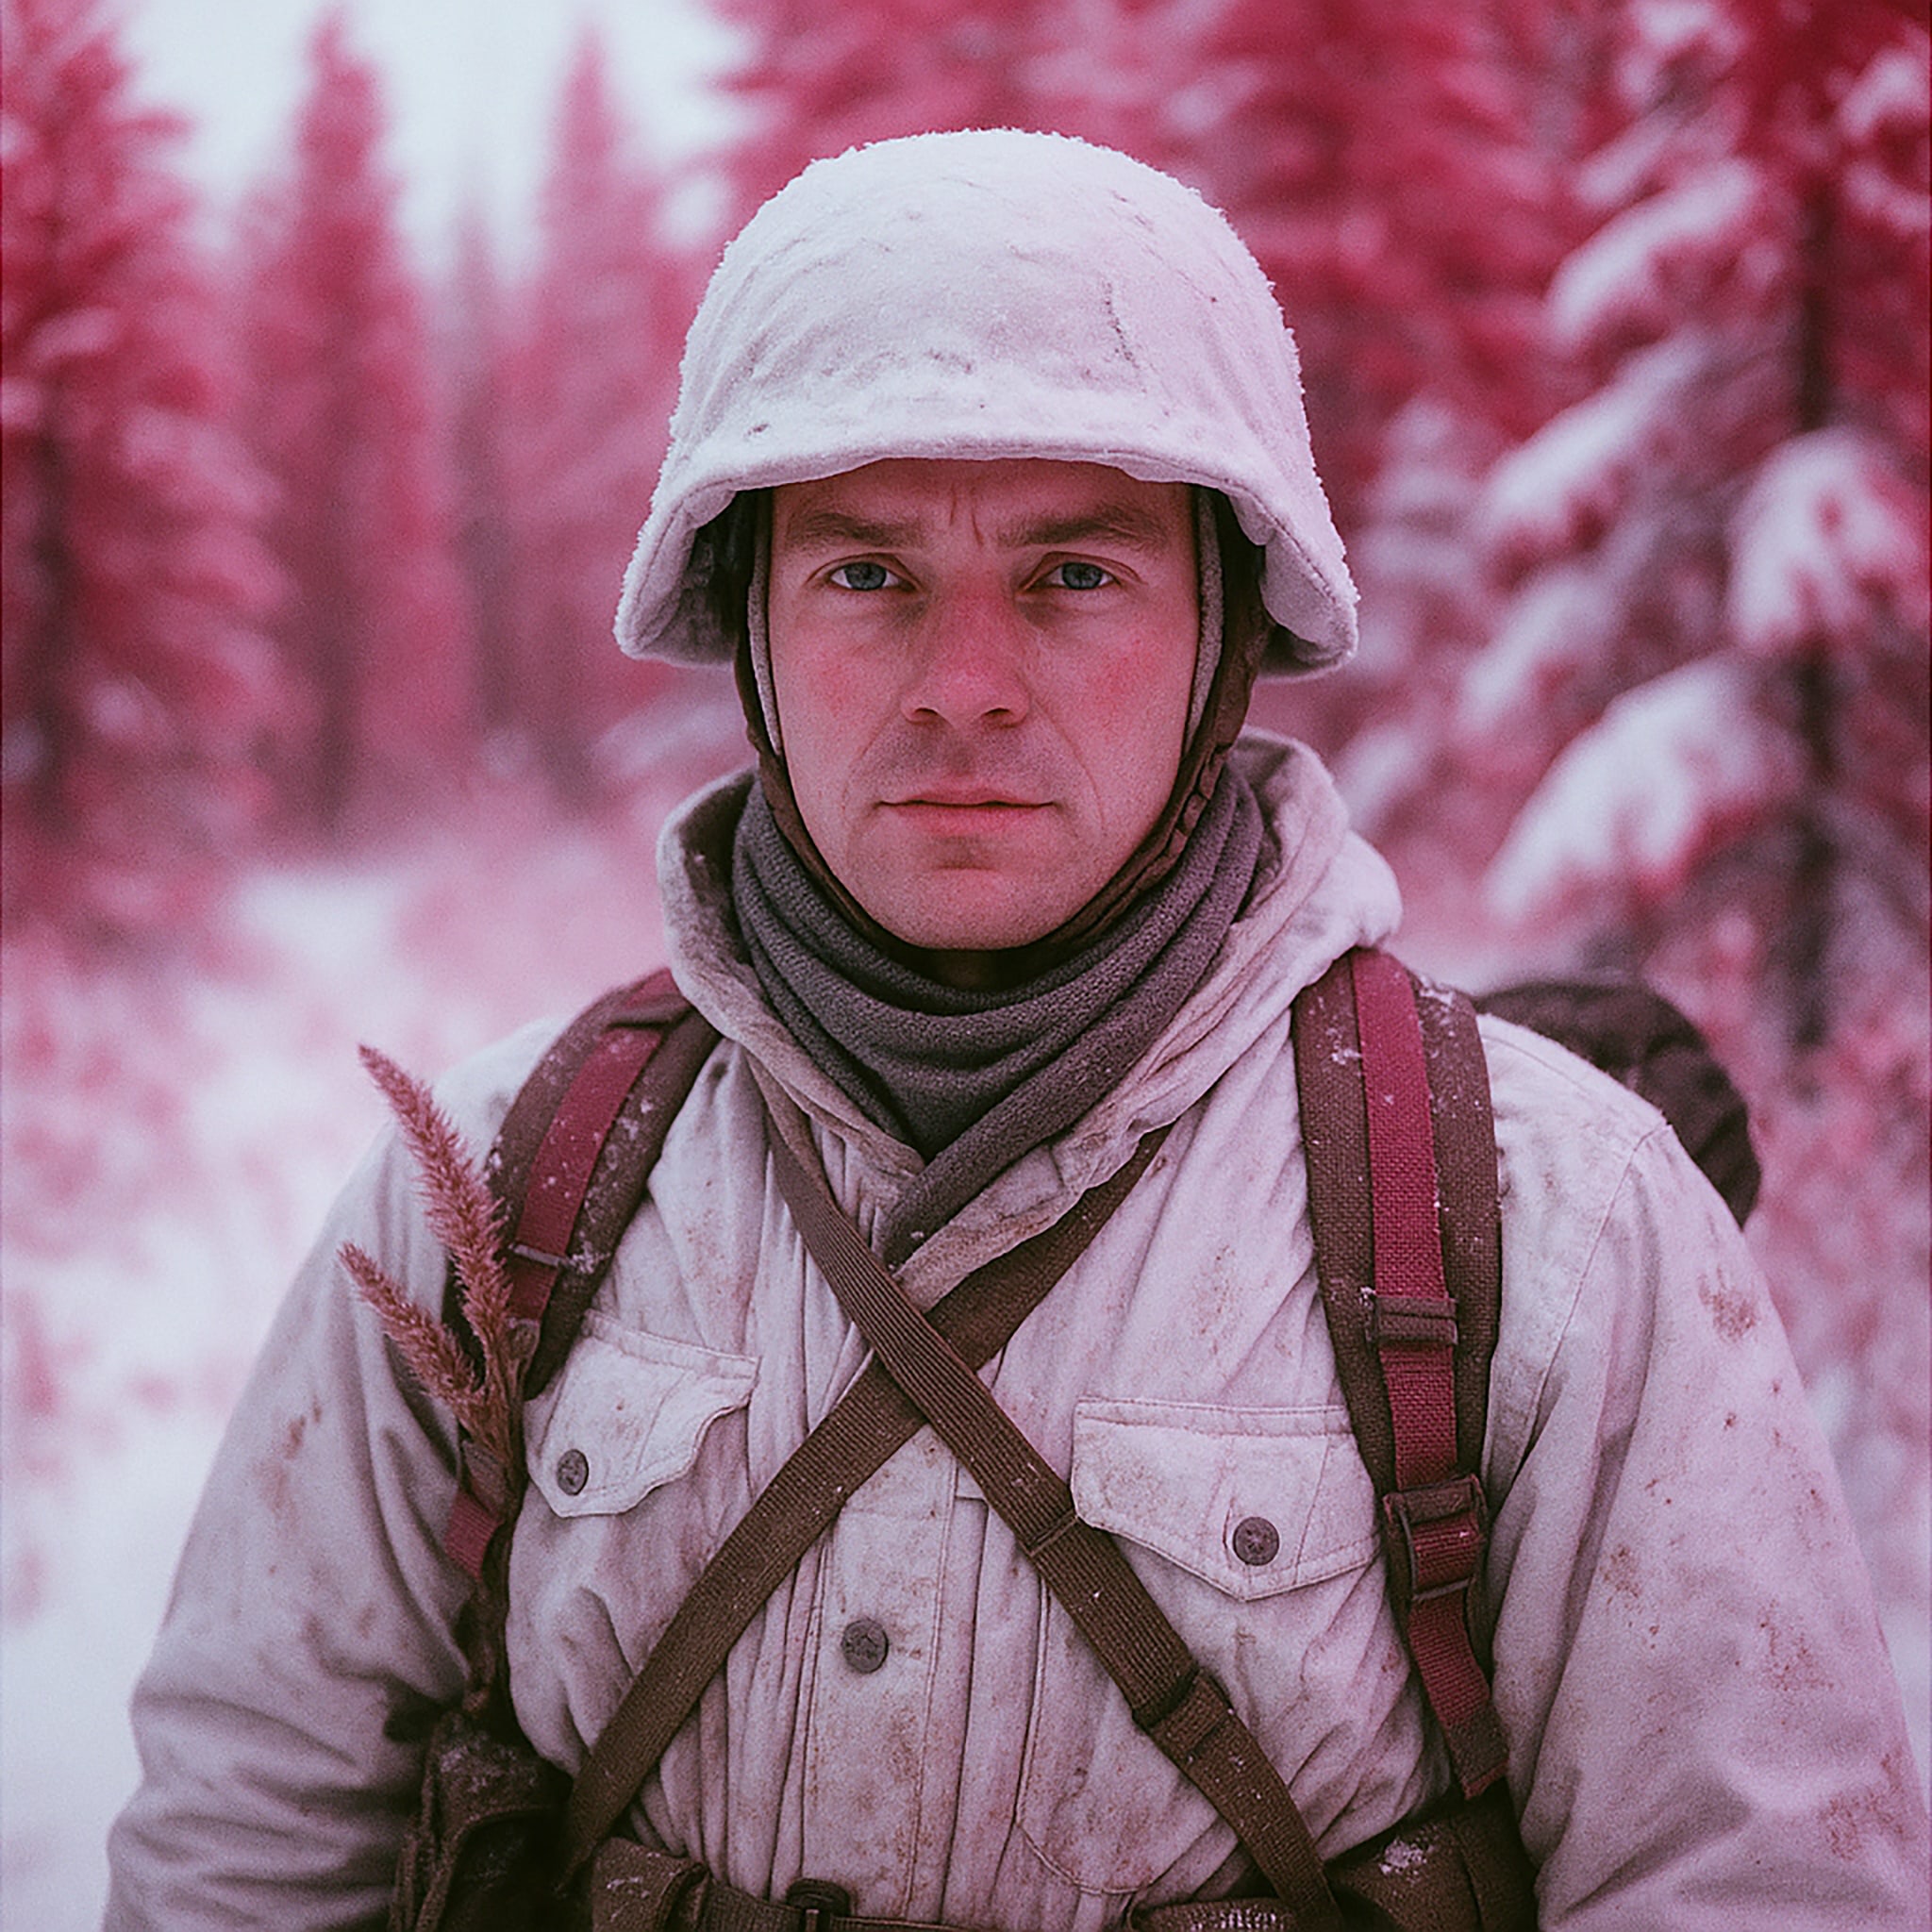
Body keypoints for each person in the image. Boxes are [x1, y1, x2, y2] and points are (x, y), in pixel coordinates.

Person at [105, 129, 1926, 1930]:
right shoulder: (498, 1186)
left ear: (1222, 623)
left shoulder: (1558, 1219)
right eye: (867, 574)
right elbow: (242, 1850)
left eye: (1075, 574)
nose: (963, 685)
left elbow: (1756, 1885)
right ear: (751, 625)